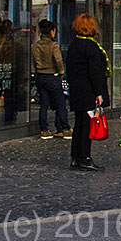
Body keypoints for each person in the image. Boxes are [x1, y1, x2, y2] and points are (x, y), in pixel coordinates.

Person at [65, 13, 108, 171]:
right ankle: (85, 157)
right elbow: (95, 72)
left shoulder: (73, 45)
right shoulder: (91, 46)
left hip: (77, 91)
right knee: (86, 126)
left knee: (79, 124)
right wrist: (99, 93)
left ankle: (76, 157)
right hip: (88, 91)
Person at [31, 19, 69, 139]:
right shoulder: (53, 45)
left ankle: (44, 130)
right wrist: (61, 72)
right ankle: (65, 128)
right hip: (52, 76)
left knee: (44, 104)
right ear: (52, 32)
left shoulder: (36, 45)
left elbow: (33, 62)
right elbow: (58, 60)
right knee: (60, 103)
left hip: (40, 76)